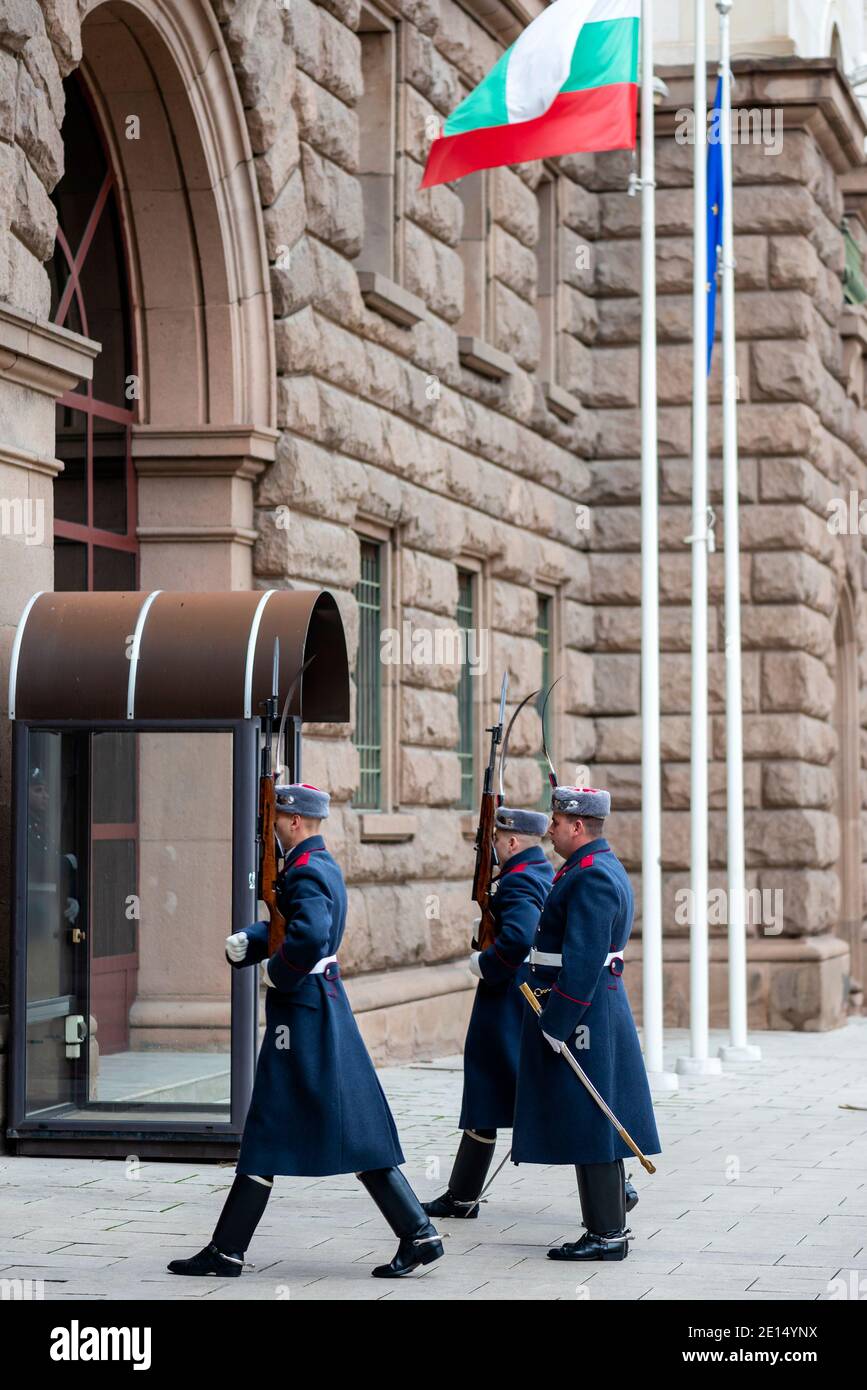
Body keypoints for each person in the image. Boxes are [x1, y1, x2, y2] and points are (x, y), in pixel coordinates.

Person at [167, 783, 444, 1280]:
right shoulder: (316, 863)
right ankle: (416, 1232)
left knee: (286, 1123)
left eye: (275, 818)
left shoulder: (306, 868)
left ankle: (228, 1250)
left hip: (303, 1011)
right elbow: (291, 924)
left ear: (294, 821)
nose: (269, 827)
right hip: (316, 1006)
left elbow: (311, 935)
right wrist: (252, 941)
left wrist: (280, 971)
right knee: (327, 1125)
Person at [512, 787, 661, 1261]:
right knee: (591, 1117)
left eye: (556, 821)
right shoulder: (587, 866)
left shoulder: (592, 875)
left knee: (594, 1118)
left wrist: (557, 1021)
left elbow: (584, 960)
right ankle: (608, 1217)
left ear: (578, 827)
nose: (550, 828)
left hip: (585, 1011)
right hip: (588, 1009)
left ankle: (608, 1234)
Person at [424, 807, 554, 1218]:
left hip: (506, 1001)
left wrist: (486, 963)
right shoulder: (540, 872)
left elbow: (517, 938)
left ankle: (614, 1185)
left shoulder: (517, 881)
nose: (494, 847)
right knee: (495, 1096)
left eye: (498, 839)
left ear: (513, 842)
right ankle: (462, 1195)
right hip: (520, 998)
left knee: (514, 1094)